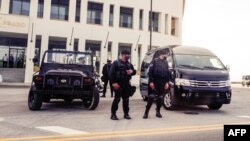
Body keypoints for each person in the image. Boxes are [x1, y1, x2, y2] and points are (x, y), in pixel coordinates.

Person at [109, 50, 136, 120]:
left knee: (126, 100)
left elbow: (135, 71)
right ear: (123, 55)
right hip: (118, 84)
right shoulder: (116, 63)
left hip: (126, 84)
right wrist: (114, 83)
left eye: (129, 54)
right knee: (117, 99)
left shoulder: (129, 64)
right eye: (128, 55)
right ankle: (113, 114)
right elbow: (111, 74)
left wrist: (132, 71)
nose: (129, 56)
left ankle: (126, 114)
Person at [143, 50, 170, 119]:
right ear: (162, 54)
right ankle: (146, 112)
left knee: (160, 98)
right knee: (151, 97)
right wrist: (151, 82)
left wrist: (167, 82)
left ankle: (158, 112)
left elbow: (167, 73)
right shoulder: (154, 61)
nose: (166, 56)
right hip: (155, 81)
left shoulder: (165, 62)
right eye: (165, 54)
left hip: (162, 82)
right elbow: (150, 72)